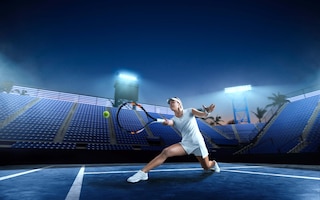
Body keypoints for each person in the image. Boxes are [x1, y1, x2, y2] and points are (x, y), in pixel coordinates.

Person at [127, 97, 220, 183]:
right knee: (166, 151)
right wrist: (166, 122)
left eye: (173, 102)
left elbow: (203, 115)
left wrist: (207, 112)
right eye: (170, 103)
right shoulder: (174, 119)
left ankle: (214, 163)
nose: (171, 104)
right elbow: (170, 122)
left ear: (179, 104)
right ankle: (143, 173)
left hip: (198, 143)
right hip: (186, 144)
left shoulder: (190, 111)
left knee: (206, 167)